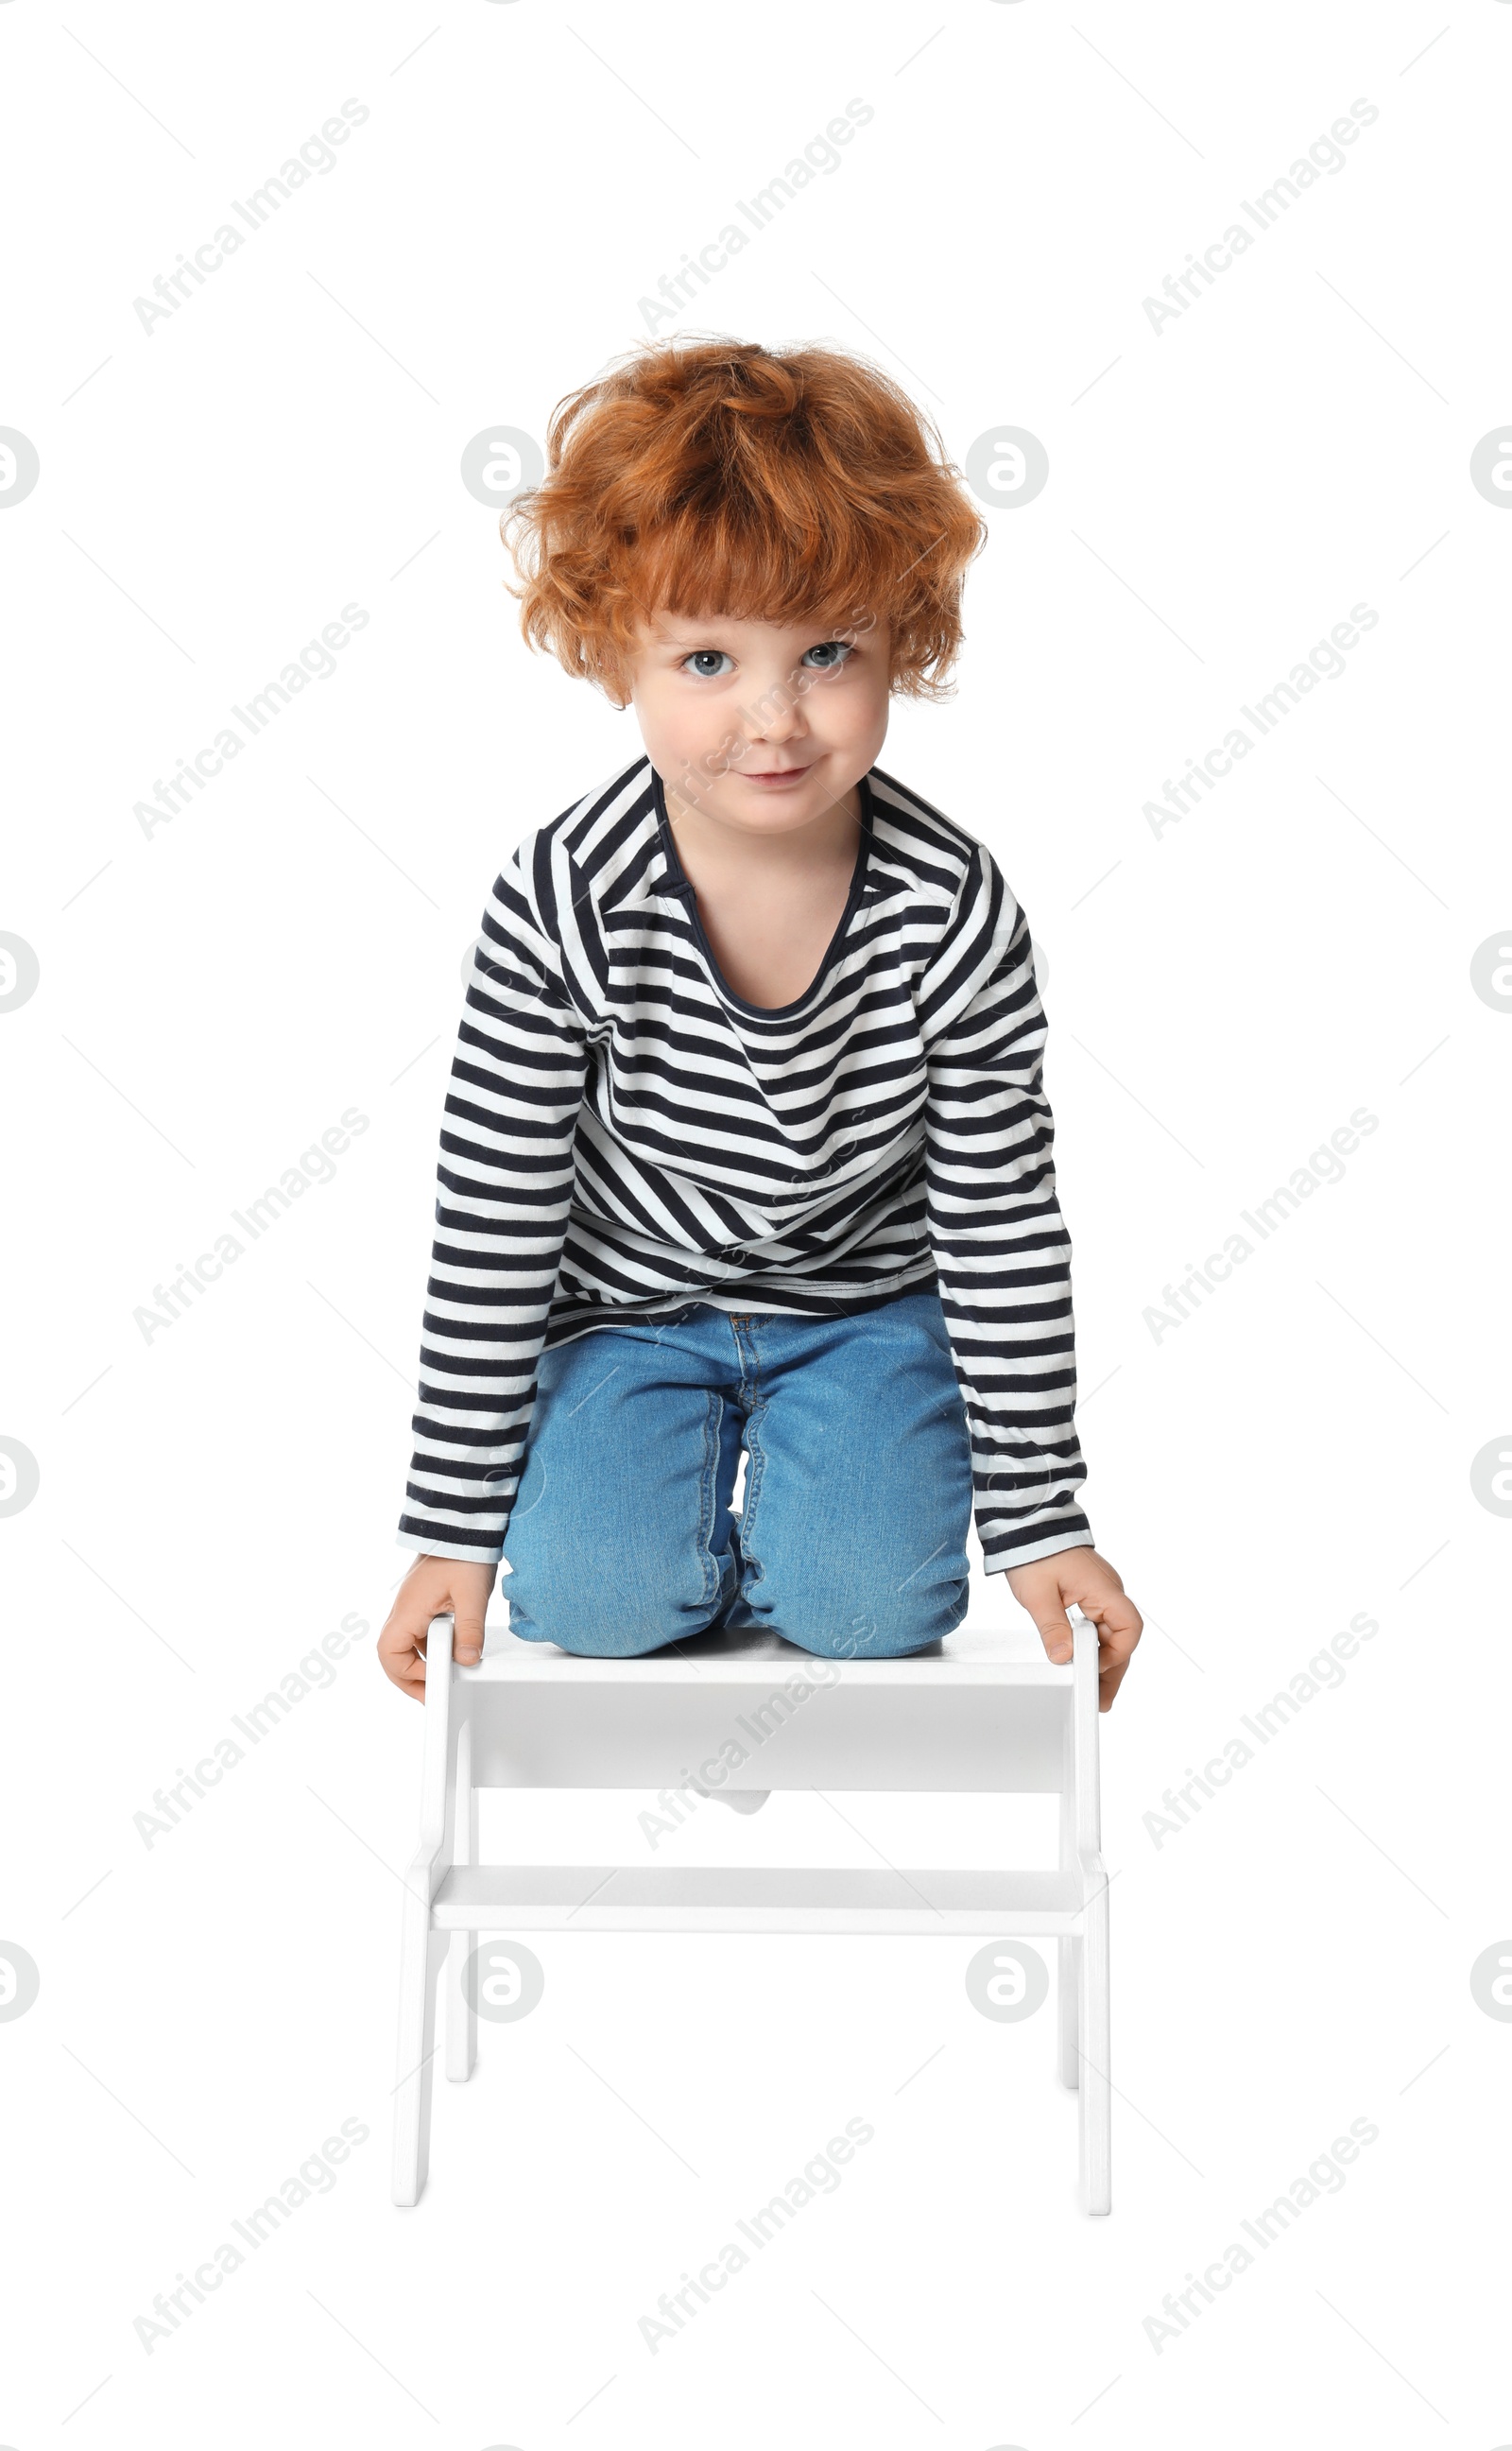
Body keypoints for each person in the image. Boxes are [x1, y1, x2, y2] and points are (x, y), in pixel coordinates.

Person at [377, 336, 1142, 1709]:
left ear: (905, 640)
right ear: (620, 656)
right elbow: (496, 1212)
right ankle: (678, 1529)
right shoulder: (563, 897)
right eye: (711, 658)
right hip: (628, 1311)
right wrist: (451, 1523)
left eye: (829, 653)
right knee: (598, 1602)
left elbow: (1002, 1215)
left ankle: (820, 1506)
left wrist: (1042, 1515)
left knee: (869, 1609)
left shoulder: (950, 907)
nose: (775, 719)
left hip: (863, 1309)